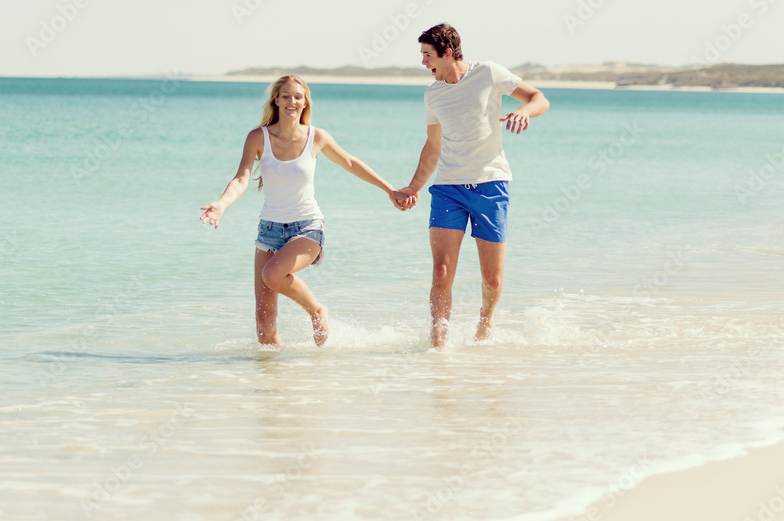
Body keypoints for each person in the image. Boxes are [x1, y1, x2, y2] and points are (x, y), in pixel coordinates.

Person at [200, 75, 407, 347]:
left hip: (307, 228)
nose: (291, 101)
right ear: (276, 100)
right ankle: (278, 382)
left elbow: (350, 163)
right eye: (285, 96)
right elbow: (241, 178)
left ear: (305, 102)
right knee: (264, 321)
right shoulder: (258, 137)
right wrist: (221, 205)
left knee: (273, 275)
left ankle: (317, 310)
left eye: (298, 97)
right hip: (269, 231)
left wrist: (389, 189)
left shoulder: (316, 137)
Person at [394, 23, 550, 347]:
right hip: (448, 187)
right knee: (441, 272)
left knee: (492, 279)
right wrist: (414, 187)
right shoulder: (433, 94)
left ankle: (486, 325)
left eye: (427, 55)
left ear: (448, 52)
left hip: (491, 185)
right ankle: (438, 343)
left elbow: (539, 98)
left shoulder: (488, 73)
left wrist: (524, 111)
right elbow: (433, 147)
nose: (424, 63)